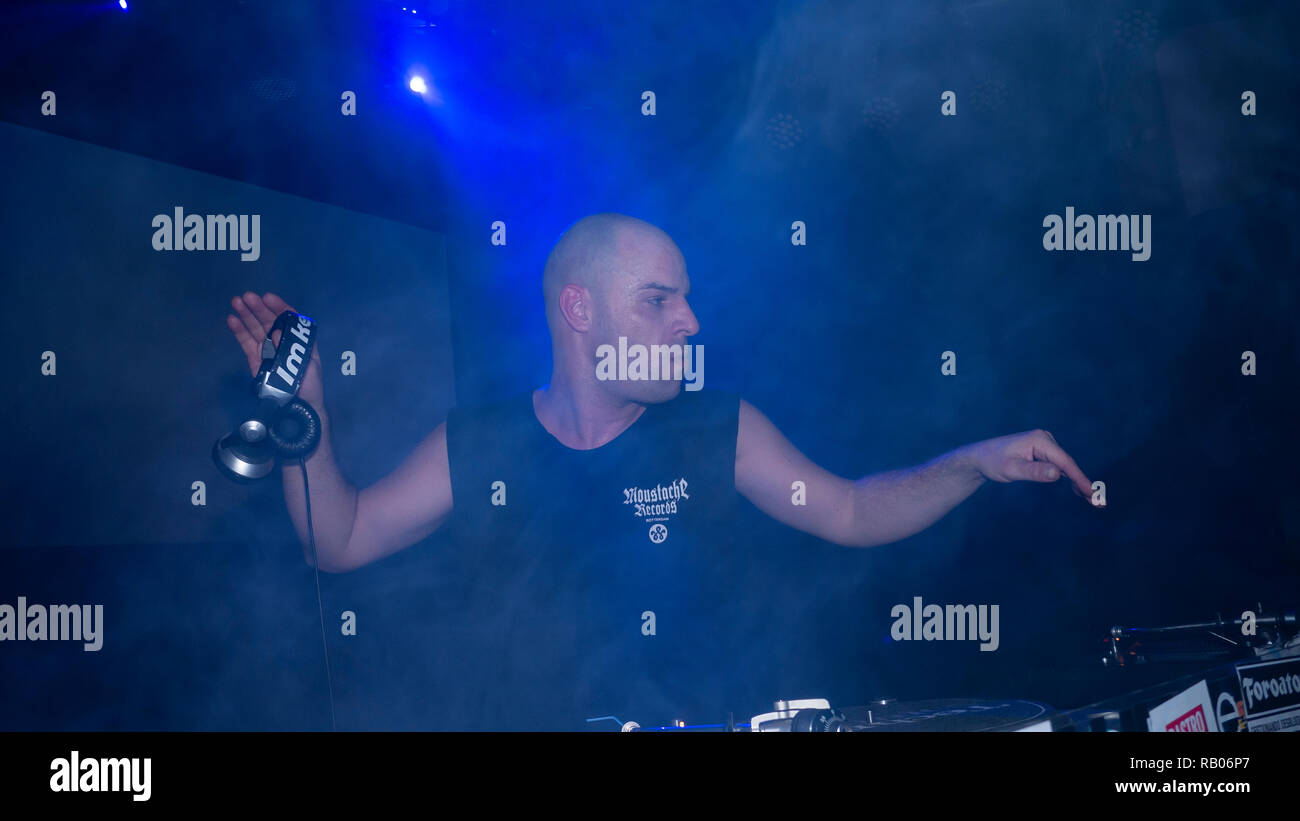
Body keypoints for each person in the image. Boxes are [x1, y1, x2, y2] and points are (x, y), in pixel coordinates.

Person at [225, 212, 1099, 729]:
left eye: (685, 297)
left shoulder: (720, 426)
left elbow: (853, 512)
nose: (689, 321)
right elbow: (336, 542)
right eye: (659, 300)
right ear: (579, 309)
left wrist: (975, 463)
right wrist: (311, 420)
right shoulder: (477, 443)